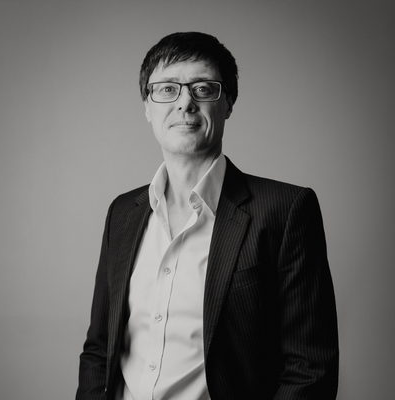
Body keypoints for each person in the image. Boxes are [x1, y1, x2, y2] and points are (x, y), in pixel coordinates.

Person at [76, 31, 339, 400]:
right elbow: (99, 349)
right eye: (167, 89)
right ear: (147, 106)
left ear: (228, 103)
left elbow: (311, 368)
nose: (185, 103)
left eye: (203, 88)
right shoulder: (123, 212)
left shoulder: (285, 210)